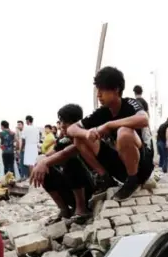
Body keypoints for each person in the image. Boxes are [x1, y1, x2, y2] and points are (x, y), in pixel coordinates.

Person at [67, 66, 154, 202]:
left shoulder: (131, 104)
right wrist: (86, 134)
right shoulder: (103, 112)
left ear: (116, 89)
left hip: (141, 166)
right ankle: (105, 178)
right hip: (119, 165)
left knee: (124, 132)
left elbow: (144, 119)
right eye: (98, 90)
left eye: (102, 90)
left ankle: (133, 181)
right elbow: (71, 129)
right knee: (79, 139)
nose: (98, 95)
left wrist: (108, 125)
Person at [30, 104, 94, 224]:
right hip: (71, 187)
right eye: (62, 121)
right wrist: (40, 162)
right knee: (46, 169)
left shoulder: (83, 135)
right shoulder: (63, 139)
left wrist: (44, 161)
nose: (62, 125)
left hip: (89, 189)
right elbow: (48, 154)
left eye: (66, 122)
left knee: (71, 161)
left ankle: (82, 209)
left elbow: (66, 153)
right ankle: (64, 210)